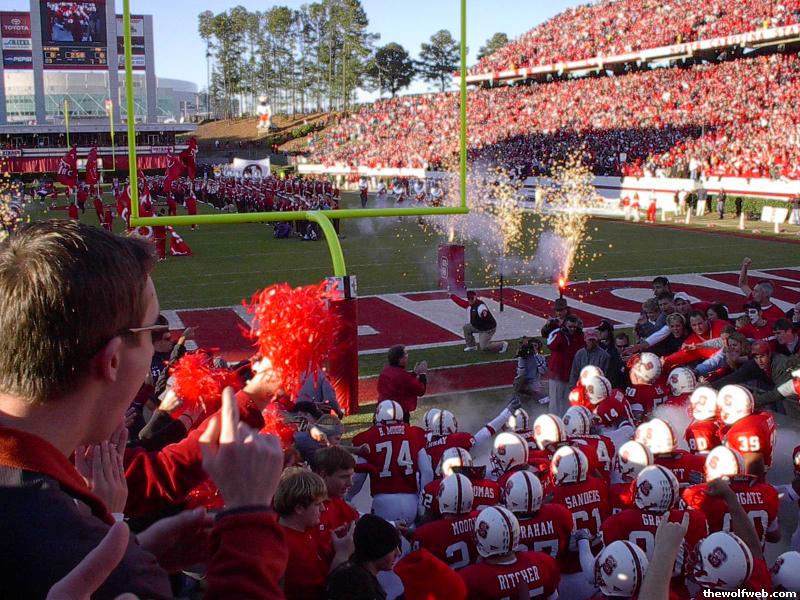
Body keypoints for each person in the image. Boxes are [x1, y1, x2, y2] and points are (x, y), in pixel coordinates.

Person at [0, 221, 287, 599]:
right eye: (150, 333)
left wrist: (138, 551)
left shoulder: (45, 464)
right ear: (113, 360)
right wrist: (249, 520)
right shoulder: (96, 564)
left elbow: (154, 474)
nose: (156, 346)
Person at [276, 467, 354, 599]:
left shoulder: (302, 531)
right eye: (318, 504)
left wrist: (332, 546)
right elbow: (323, 592)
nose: (323, 509)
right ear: (299, 508)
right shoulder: (291, 546)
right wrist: (342, 554)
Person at [326, 514, 401, 600]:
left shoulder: (345, 571)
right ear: (378, 550)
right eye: (393, 548)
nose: (398, 553)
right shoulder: (361, 590)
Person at [376, 345, 428, 421]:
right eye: (405, 355)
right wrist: (423, 374)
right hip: (399, 414)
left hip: (381, 411)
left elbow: (403, 382)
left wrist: (414, 374)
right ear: (400, 359)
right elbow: (421, 390)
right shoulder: (404, 376)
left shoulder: (384, 371)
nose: (407, 357)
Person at [547, 314, 585, 414]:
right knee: (555, 403)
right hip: (557, 375)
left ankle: (566, 420)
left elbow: (583, 350)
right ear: (565, 325)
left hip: (571, 375)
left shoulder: (579, 336)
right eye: (570, 327)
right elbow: (551, 345)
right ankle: (554, 421)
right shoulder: (559, 334)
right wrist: (561, 334)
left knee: (568, 403)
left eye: (574, 327)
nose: (572, 329)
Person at [738, 258, 786, 322]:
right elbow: (742, 284)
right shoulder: (753, 299)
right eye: (753, 290)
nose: (753, 293)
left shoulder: (778, 314)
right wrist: (745, 267)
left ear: (765, 294)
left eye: (756, 291)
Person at [512, 336, 548, 403]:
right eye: (532, 345)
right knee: (519, 385)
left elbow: (543, 371)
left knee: (543, 398)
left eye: (535, 346)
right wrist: (522, 358)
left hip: (534, 382)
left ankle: (531, 395)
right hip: (522, 381)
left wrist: (536, 355)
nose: (533, 347)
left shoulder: (541, 357)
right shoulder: (523, 357)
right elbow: (520, 373)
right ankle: (517, 397)